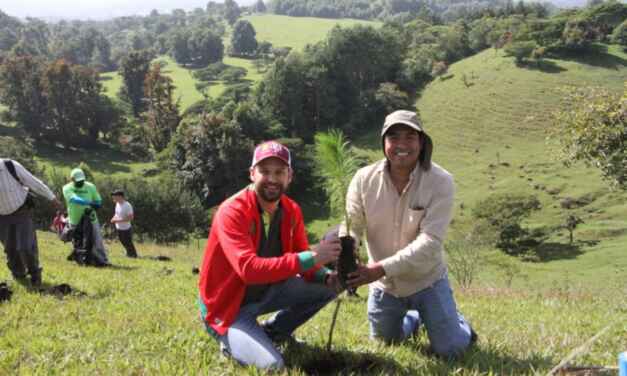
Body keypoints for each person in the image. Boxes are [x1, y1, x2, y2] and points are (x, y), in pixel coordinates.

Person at [340, 110, 477, 358]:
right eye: (393, 137)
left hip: (427, 281)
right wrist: (348, 250)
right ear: (383, 143)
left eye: (410, 137)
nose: (401, 144)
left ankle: (456, 324)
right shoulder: (363, 179)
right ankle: (416, 320)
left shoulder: (441, 181)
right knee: (386, 344)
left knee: (451, 349)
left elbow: (430, 242)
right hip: (385, 288)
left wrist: (378, 269)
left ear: (421, 142)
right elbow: (353, 223)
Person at [198, 140, 342, 370]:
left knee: (329, 287)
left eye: (279, 172)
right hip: (228, 307)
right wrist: (314, 256)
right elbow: (248, 269)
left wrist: (326, 277)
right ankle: (229, 343)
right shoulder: (232, 211)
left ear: (289, 176)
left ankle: (273, 331)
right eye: (264, 171)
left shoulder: (291, 210)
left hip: (267, 292)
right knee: (273, 366)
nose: (272, 179)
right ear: (252, 174)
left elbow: (301, 257)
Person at [0, 158, 61, 286]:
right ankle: (19, 275)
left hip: (22, 211)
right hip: (2, 217)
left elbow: (33, 182)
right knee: (10, 249)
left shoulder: (9, 165)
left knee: (25, 247)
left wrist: (52, 197)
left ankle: (35, 274)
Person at [62, 168, 109, 265]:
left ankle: (103, 260)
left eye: (82, 180)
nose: (81, 182)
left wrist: (95, 206)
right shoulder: (67, 188)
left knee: (97, 239)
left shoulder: (90, 187)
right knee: (77, 240)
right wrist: (89, 203)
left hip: (91, 218)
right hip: (74, 219)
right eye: (78, 181)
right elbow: (74, 199)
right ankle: (81, 259)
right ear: (72, 179)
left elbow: (98, 200)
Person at [110, 190, 138, 258]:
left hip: (126, 228)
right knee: (123, 242)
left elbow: (130, 218)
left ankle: (133, 255)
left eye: (115, 196)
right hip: (119, 228)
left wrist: (117, 220)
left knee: (128, 242)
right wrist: (113, 218)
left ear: (120, 197)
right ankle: (129, 254)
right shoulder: (117, 204)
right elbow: (117, 213)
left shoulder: (127, 205)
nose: (113, 198)